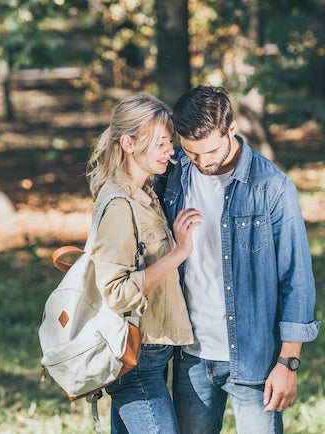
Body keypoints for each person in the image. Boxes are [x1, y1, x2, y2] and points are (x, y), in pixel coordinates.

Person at [153, 85, 320, 434]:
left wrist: (288, 362)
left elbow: (296, 279)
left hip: (255, 359)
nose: (202, 162)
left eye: (210, 151)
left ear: (232, 129)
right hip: (191, 356)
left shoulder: (271, 187)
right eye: (191, 152)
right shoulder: (174, 175)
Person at [86, 94, 202, 434]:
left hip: (152, 353)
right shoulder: (120, 205)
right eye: (161, 143)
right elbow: (116, 291)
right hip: (135, 360)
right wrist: (179, 252)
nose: (170, 151)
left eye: (171, 142)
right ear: (128, 142)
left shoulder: (146, 195)